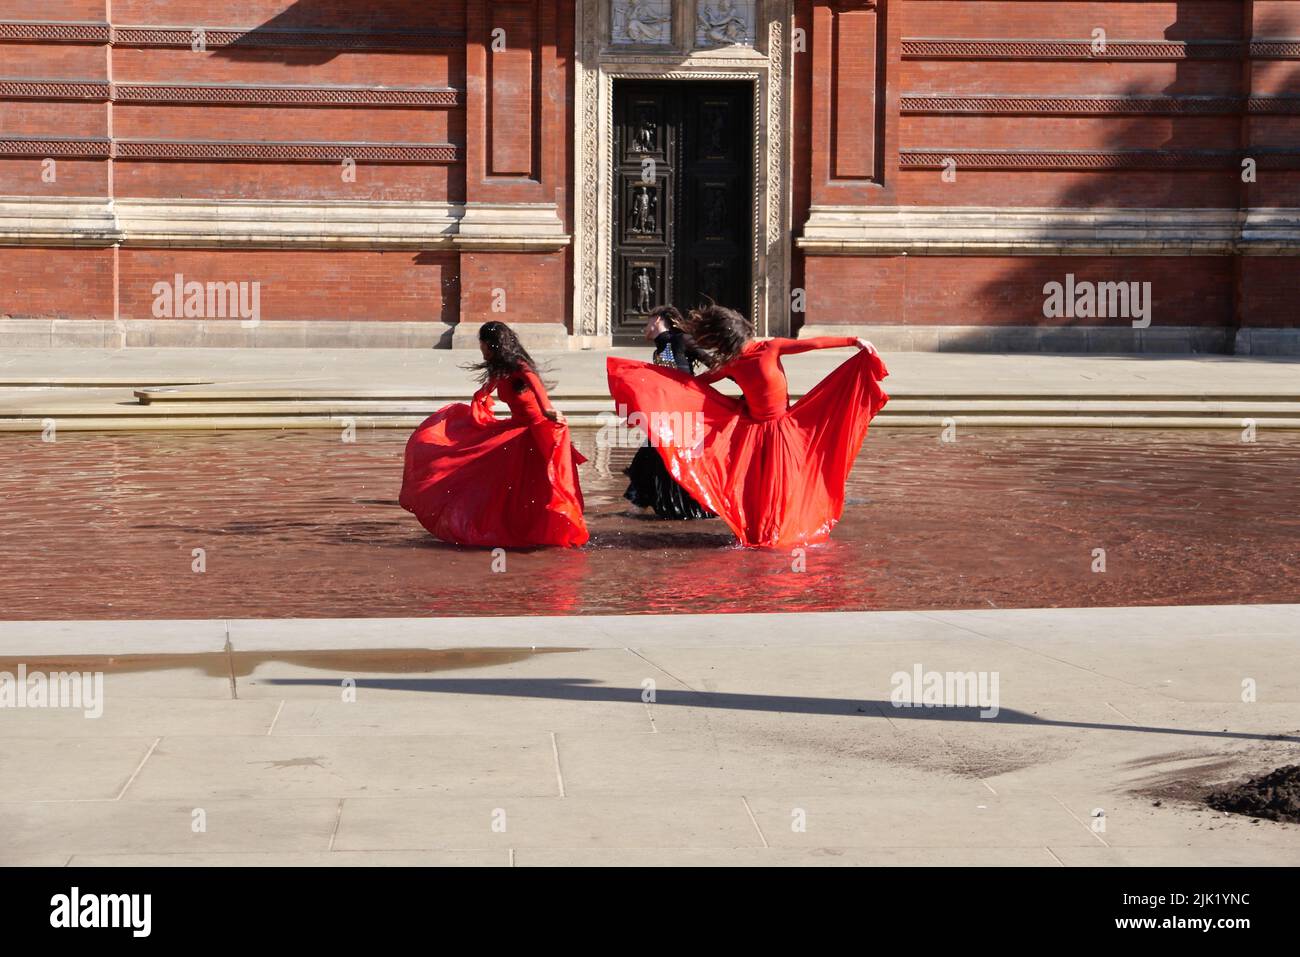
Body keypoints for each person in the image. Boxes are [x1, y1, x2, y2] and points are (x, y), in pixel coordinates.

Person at [607, 305, 889, 548]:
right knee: (763, 488)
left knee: (776, 485)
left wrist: (854, 341)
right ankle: (766, 532)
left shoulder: (766, 349)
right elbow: (696, 385)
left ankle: (774, 531)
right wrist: (654, 389)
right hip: (758, 431)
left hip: (778, 429)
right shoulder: (738, 361)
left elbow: (812, 344)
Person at [400, 321, 588, 548]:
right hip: (516, 430)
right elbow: (484, 392)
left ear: (493, 345)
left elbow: (542, 398)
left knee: (542, 487)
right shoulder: (501, 370)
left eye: (483, 346)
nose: (482, 351)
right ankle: (521, 531)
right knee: (509, 487)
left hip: (537, 432)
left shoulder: (521, 367)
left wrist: (550, 413)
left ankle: (552, 532)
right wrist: (477, 405)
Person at [622, 305, 716, 520]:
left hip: (683, 417)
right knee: (652, 460)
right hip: (666, 418)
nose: (644, 327)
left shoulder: (681, 340)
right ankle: (642, 510)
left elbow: (713, 364)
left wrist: (696, 386)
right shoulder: (658, 349)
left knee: (654, 459)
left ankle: (639, 511)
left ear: (657, 319)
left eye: (647, 321)